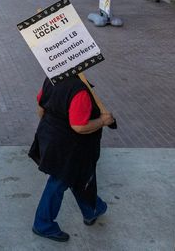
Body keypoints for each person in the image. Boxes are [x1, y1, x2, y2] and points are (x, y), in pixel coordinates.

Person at [29, 76, 116, 242]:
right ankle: (43, 223)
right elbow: (79, 126)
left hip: (50, 136)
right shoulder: (79, 90)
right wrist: (103, 121)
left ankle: (92, 209)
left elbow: (40, 107)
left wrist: (53, 128)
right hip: (70, 146)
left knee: (79, 176)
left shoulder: (51, 78)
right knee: (60, 181)